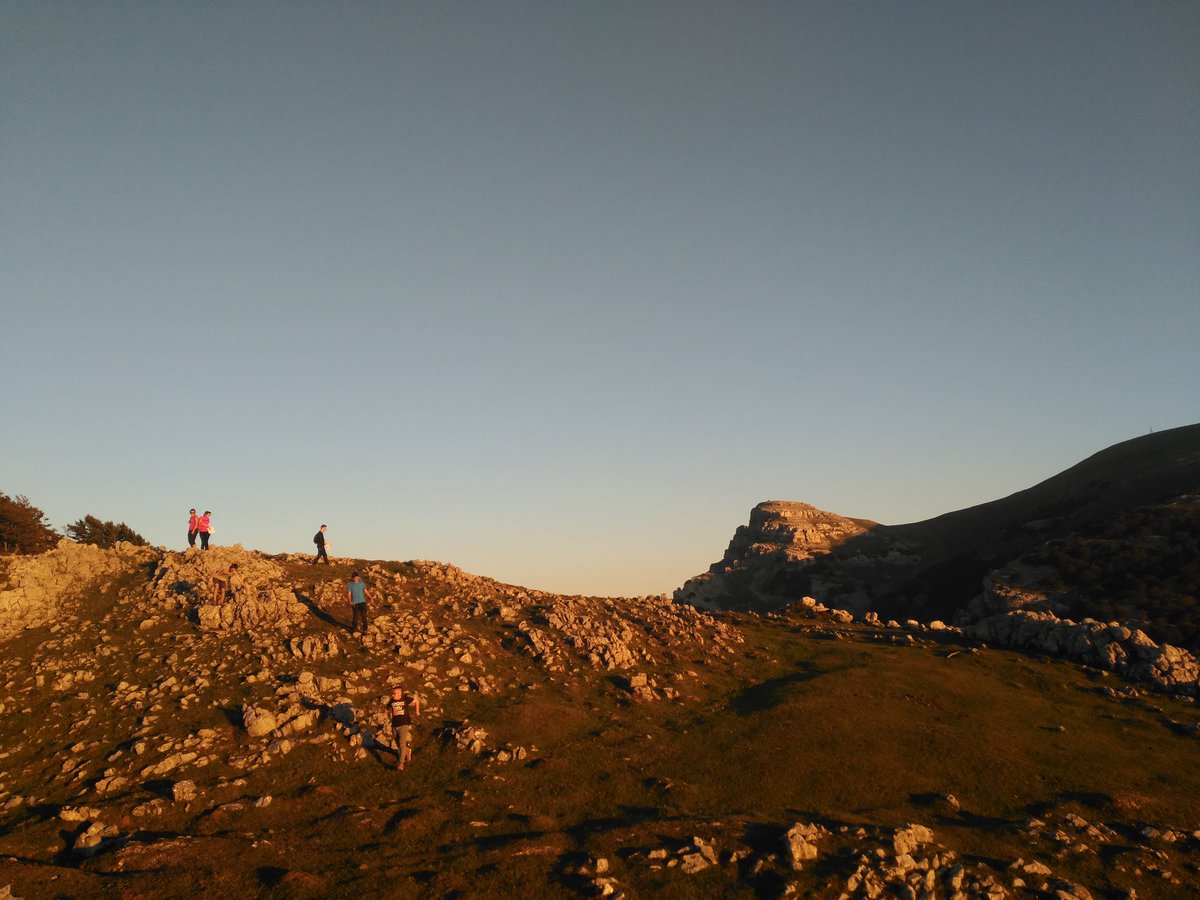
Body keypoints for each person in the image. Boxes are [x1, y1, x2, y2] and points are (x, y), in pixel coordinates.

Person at [385, 686, 421, 770]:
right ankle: (407, 751)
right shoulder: (391, 701)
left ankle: (401, 763)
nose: (392, 695)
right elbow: (387, 710)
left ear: (399, 693)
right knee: (397, 742)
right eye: (392, 693)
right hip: (394, 724)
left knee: (401, 743)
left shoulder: (405, 699)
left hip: (404, 723)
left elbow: (416, 701)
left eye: (394, 693)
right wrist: (391, 711)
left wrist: (417, 711)